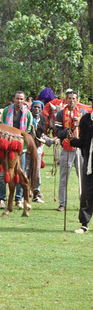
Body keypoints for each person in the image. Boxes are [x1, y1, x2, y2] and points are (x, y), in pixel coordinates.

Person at [0, 91, 33, 210]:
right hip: (6, 146)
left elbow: (27, 131)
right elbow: (3, 127)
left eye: (21, 99)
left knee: (19, 173)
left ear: (24, 100)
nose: (19, 100)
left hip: (20, 149)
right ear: (14, 99)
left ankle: (18, 199)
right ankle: (2, 198)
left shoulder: (28, 114)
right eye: (17, 98)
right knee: (4, 173)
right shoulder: (6, 111)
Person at [54, 90, 86, 212]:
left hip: (80, 150)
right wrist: (71, 128)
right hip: (66, 149)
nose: (72, 101)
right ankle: (62, 203)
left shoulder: (83, 113)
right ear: (66, 100)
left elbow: (87, 131)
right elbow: (58, 132)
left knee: (83, 178)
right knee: (64, 178)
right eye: (69, 98)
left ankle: (84, 202)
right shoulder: (61, 114)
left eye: (74, 98)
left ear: (77, 100)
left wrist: (80, 125)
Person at [69, 95, 93, 233]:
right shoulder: (86, 120)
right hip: (89, 163)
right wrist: (72, 140)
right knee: (87, 194)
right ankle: (84, 224)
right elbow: (83, 142)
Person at [30, 100, 58, 203]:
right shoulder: (28, 118)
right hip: (26, 148)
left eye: (38, 108)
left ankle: (35, 194)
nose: (36, 109)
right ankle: (22, 195)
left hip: (37, 148)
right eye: (35, 107)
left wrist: (52, 141)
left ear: (41, 109)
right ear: (32, 108)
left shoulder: (43, 120)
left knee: (36, 172)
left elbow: (41, 135)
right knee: (25, 170)